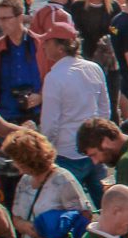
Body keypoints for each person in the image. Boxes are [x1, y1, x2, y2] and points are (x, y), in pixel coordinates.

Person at [38, 21, 112, 202]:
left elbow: (50, 124)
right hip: (94, 152)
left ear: (61, 47)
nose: (44, 45)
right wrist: (98, 141)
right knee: (105, 204)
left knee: (66, 207)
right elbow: (105, 110)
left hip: (66, 154)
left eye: (48, 42)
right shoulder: (94, 69)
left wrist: (46, 153)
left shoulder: (54, 78)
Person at [4, 127, 95, 238]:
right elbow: (16, 217)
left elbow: (83, 216)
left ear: (28, 161)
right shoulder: (25, 181)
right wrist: (25, 226)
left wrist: (52, 230)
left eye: (16, 161)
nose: (14, 165)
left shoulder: (63, 180)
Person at [0, 0, 53, 125]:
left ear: (20, 18)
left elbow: (54, 80)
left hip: (39, 116)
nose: (1, 23)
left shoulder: (41, 45)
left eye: (6, 18)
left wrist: (42, 96)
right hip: (6, 119)